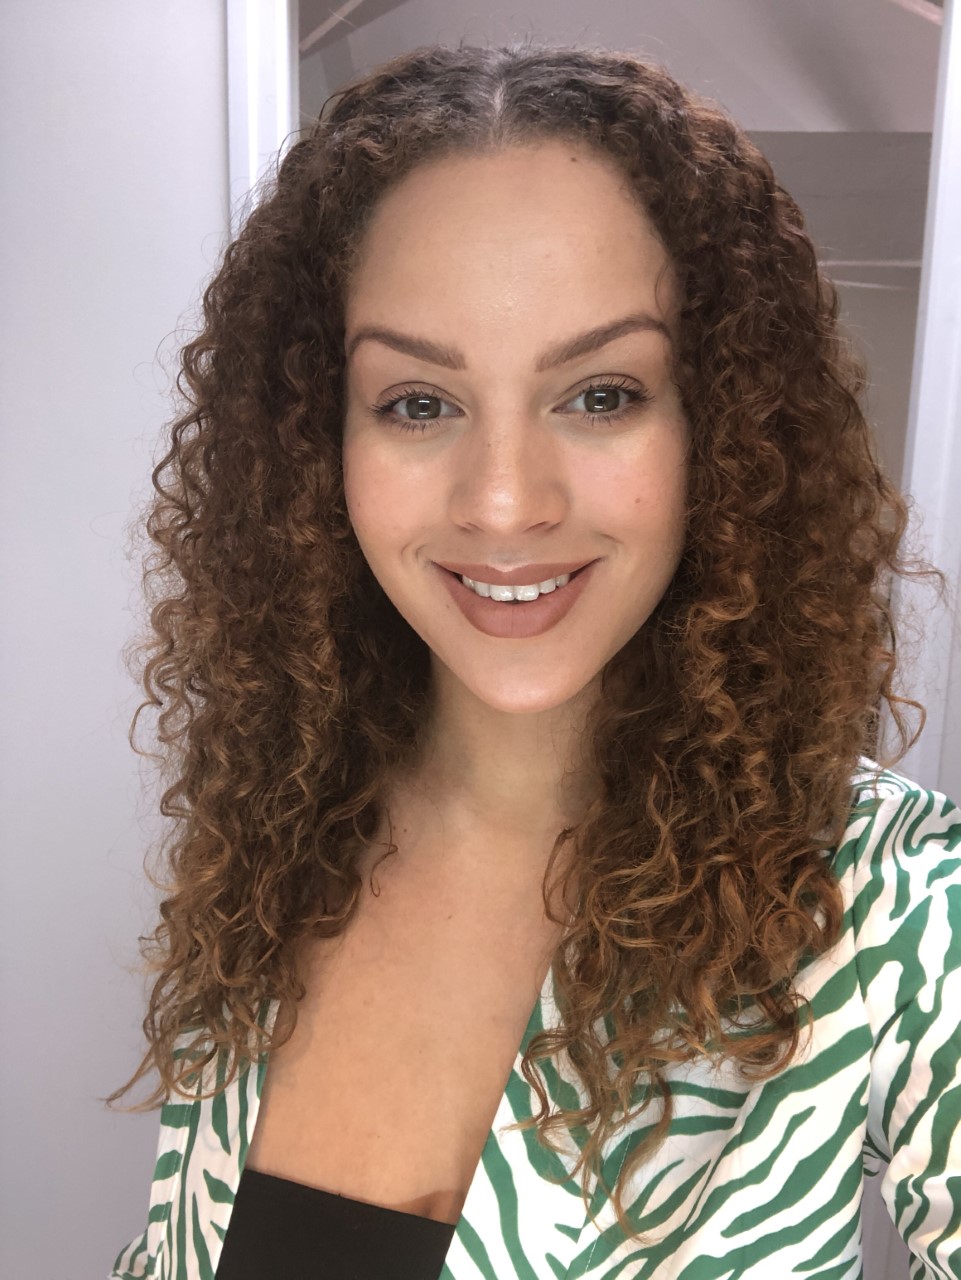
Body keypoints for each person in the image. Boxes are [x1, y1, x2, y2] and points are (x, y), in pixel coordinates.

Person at [106, 40, 961, 1280]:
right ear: (316, 444)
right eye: (418, 403)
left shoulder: (889, 905)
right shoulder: (277, 831)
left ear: (717, 428)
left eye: (600, 394)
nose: (504, 503)